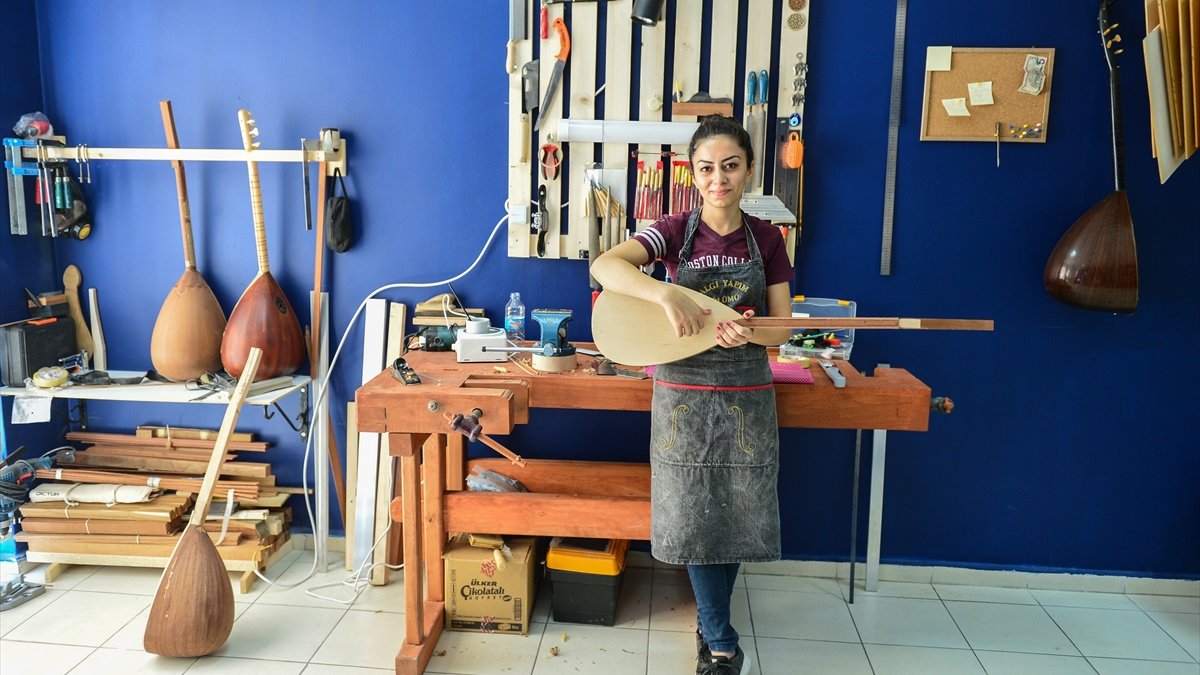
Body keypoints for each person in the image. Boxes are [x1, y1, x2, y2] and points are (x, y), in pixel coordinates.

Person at [591, 115, 794, 675]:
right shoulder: (673, 231)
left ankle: (712, 626)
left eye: (730, 166)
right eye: (707, 168)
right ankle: (722, 639)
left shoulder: (768, 238)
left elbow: (782, 329)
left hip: (748, 395)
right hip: (683, 397)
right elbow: (605, 266)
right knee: (697, 516)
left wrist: (749, 330)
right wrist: (666, 295)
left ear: (748, 170)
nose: (718, 179)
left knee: (740, 511)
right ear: (692, 173)